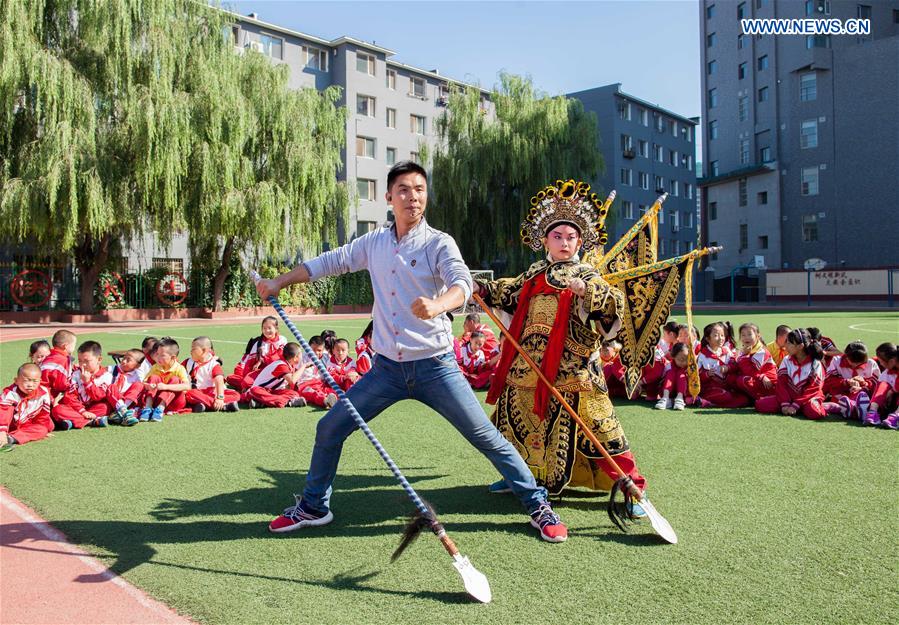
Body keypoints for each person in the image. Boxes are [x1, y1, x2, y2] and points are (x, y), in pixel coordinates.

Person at [255, 161, 567, 542]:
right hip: (386, 370)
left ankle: (537, 504)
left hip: (436, 367)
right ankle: (314, 506)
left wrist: (439, 305)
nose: (412, 197)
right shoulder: (373, 243)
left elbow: (462, 283)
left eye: (419, 189)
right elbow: (329, 262)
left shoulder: (439, 242)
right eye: (403, 189)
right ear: (389, 197)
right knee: (330, 427)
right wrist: (279, 282)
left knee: (485, 436)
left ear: (426, 197)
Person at [475, 178, 649, 514]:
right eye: (558, 236)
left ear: (580, 241)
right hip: (528, 368)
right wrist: (481, 289)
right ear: (545, 240)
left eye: (570, 237)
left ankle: (632, 490)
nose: (564, 242)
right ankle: (519, 478)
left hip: (575, 372)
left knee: (604, 431)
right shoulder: (535, 274)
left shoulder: (588, 275)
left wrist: (588, 292)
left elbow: (615, 305)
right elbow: (506, 291)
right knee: (511, 426)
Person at [755, 328, 827, 420]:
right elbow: (781, 383)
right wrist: (785, 403)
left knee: (814, 413)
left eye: (789, 343)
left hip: (807, 398)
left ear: (800, 346)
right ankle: (797, 408)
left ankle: (824, 406)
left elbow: (814, 388)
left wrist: (796, 405)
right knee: (760, 405)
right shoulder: (786, 360)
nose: (785, 346)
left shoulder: (815, 363)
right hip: (789, 397)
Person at [51, 341, 112, 429]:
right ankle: (90, 421)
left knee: (105, 407)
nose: (83, 364)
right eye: (80, 361)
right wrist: (82, 411)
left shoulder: (106, 376)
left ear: (99, 359)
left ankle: (73, 421)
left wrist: (87, 383)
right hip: (77, 409)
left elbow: (99, 396)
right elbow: (70, 397)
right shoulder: (76, 374)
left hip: (93, 408)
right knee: (57, 410)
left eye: (87, 361)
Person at [696, 322, 750, 409]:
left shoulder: (726, 350)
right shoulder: (703, 355)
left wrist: (728, 367)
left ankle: (709, 403)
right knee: (725, 396)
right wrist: (707, 374)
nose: (721, 338)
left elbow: (735, 365)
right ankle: (703, 400)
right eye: (716, 335)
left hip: (728, 387)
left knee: (744, 399)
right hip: (710, 389)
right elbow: (696, 377)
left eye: (722, 335)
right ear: (708, 339)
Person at [823, 341, 880, 423]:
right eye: (853, 362)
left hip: (862, 394)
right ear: (846, 356)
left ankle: (844, 409)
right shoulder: (836, 361)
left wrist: (864, 384)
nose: (856, 365)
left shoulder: (871, 363)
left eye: (859, 362)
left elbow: (877, 384)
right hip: (841, 394)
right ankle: (857, 411)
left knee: (862, 394)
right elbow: (828, 381)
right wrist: (846, 382)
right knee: (839, 396)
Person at [0, 363, 53, 451]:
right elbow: (3, 412)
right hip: (5, 424)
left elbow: (43, 415)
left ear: (40, 381)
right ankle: (2, 435)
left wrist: (42, 431)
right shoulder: (11, 393)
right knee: (9, 408)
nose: (30, 385)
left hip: (24, 425)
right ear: (16, 380)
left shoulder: (44, 393)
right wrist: (2, 431)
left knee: (46, 428)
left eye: (35, 381)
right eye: (26, 380)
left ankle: (11, 438)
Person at [226, 317, 287, 391]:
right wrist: (247, 376)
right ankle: (260, 388)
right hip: (264, 372)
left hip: (279, 371)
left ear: (276, 329)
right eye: (264, 328)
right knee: (245, 382)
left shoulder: (282, 340)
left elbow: (278, 358)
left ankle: (261, 389)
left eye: (269, 328)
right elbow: (249, 364)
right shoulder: (258, 343)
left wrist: (262, 360)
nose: (267, 331)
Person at [139, 337, 191, 422]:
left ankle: (160, 409)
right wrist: (149, 386)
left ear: (173, 357)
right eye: (157, 354)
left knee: (175, 379)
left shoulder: (179, 368)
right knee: (153, 377)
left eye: (162, 355)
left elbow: (187, 386)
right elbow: (143, 383)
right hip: (157, 400)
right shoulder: (155, 367)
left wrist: (166, 386)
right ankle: (148, 408)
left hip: (175, 403)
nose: (158, 357)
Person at [184, 337, 241, 413]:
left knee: (236, 395)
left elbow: (219, 380)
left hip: (212, 392)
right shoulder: (188, 362)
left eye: (193, 349)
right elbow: (177, 368)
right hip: (197, 392)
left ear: (204, 350)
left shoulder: (213, 364)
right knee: (190, 393)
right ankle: (223, 406)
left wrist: (220, 397)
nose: (191, 351)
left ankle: (204, 405)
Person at [245, 342, 308, 409]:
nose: (302, 355)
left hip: (272, 392)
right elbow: (292, 380)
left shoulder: (290, 365)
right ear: (295, 358)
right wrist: (304, 366)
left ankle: (262, 403)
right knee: (255, 390)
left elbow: (288, 386)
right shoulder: (281, 365)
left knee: (294, 394)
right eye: (300, 354)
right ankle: (286, 402)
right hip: (260, 391)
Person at [731, 322, 777, 402]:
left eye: (749, 334)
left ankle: (758, 399)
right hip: (758, 379)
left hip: (769, 383)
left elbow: (750, 371)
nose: (746, 338)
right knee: (733, 378)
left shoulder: (761, 351)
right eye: (743, 335)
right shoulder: (745, 349)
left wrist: (745, 356)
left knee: (742, 380)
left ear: (758, 336)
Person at [107, 349, 144, 426]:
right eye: (124, 358)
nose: (123, 361)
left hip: (126, 402)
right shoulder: (112, 369)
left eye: (128, 360)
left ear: (137, 365)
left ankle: (121, 413)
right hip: (111, 400)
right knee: (112, 387)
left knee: (139, 385)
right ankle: (124, 413)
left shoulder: (137, 375)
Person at [655, 342, 695, 410]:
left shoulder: (690, 367)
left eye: (686, 359)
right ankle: (665, 398)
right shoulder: (669, 366)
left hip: (685, 393)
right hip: (668, 392)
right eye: (680, 360)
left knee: (681, 374)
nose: (684, 362)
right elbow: (661, 380)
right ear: (673, 357)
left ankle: (679, 399)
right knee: (671, 373)